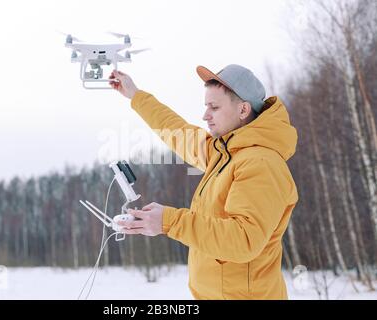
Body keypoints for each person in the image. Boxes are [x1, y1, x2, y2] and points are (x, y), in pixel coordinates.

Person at [109, 64, 298, 300]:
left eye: (214, 107)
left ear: (243, 110)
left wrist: (169, 221)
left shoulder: (260, 163)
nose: (205, 115)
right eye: (206, 106)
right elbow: (177, 131)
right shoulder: (223, 154)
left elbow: (244, 240)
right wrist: (136, 95)